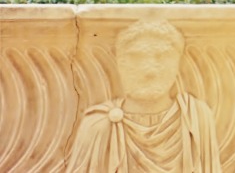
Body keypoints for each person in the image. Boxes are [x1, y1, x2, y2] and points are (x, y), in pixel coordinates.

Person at [65, 21, 221, 172]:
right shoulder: (97, 125)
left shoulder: (196, 118)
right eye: (136, 57)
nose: (149, 70)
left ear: (178, 64)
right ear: (119, 63)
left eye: (162, 56)